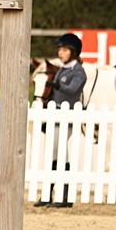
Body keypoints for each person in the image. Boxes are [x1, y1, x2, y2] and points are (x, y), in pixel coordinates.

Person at [35, 32, 86, 208]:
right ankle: (49, 194)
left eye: (64, 50)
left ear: (73, 52)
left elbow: (72, 90)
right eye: (59, 50)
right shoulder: (61, 70)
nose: (60, 53)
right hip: (55, 116)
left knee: (59, 152)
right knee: (53, 153)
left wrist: (57, 85)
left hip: (68, 118)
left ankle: (64, 195)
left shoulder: (78, 72)